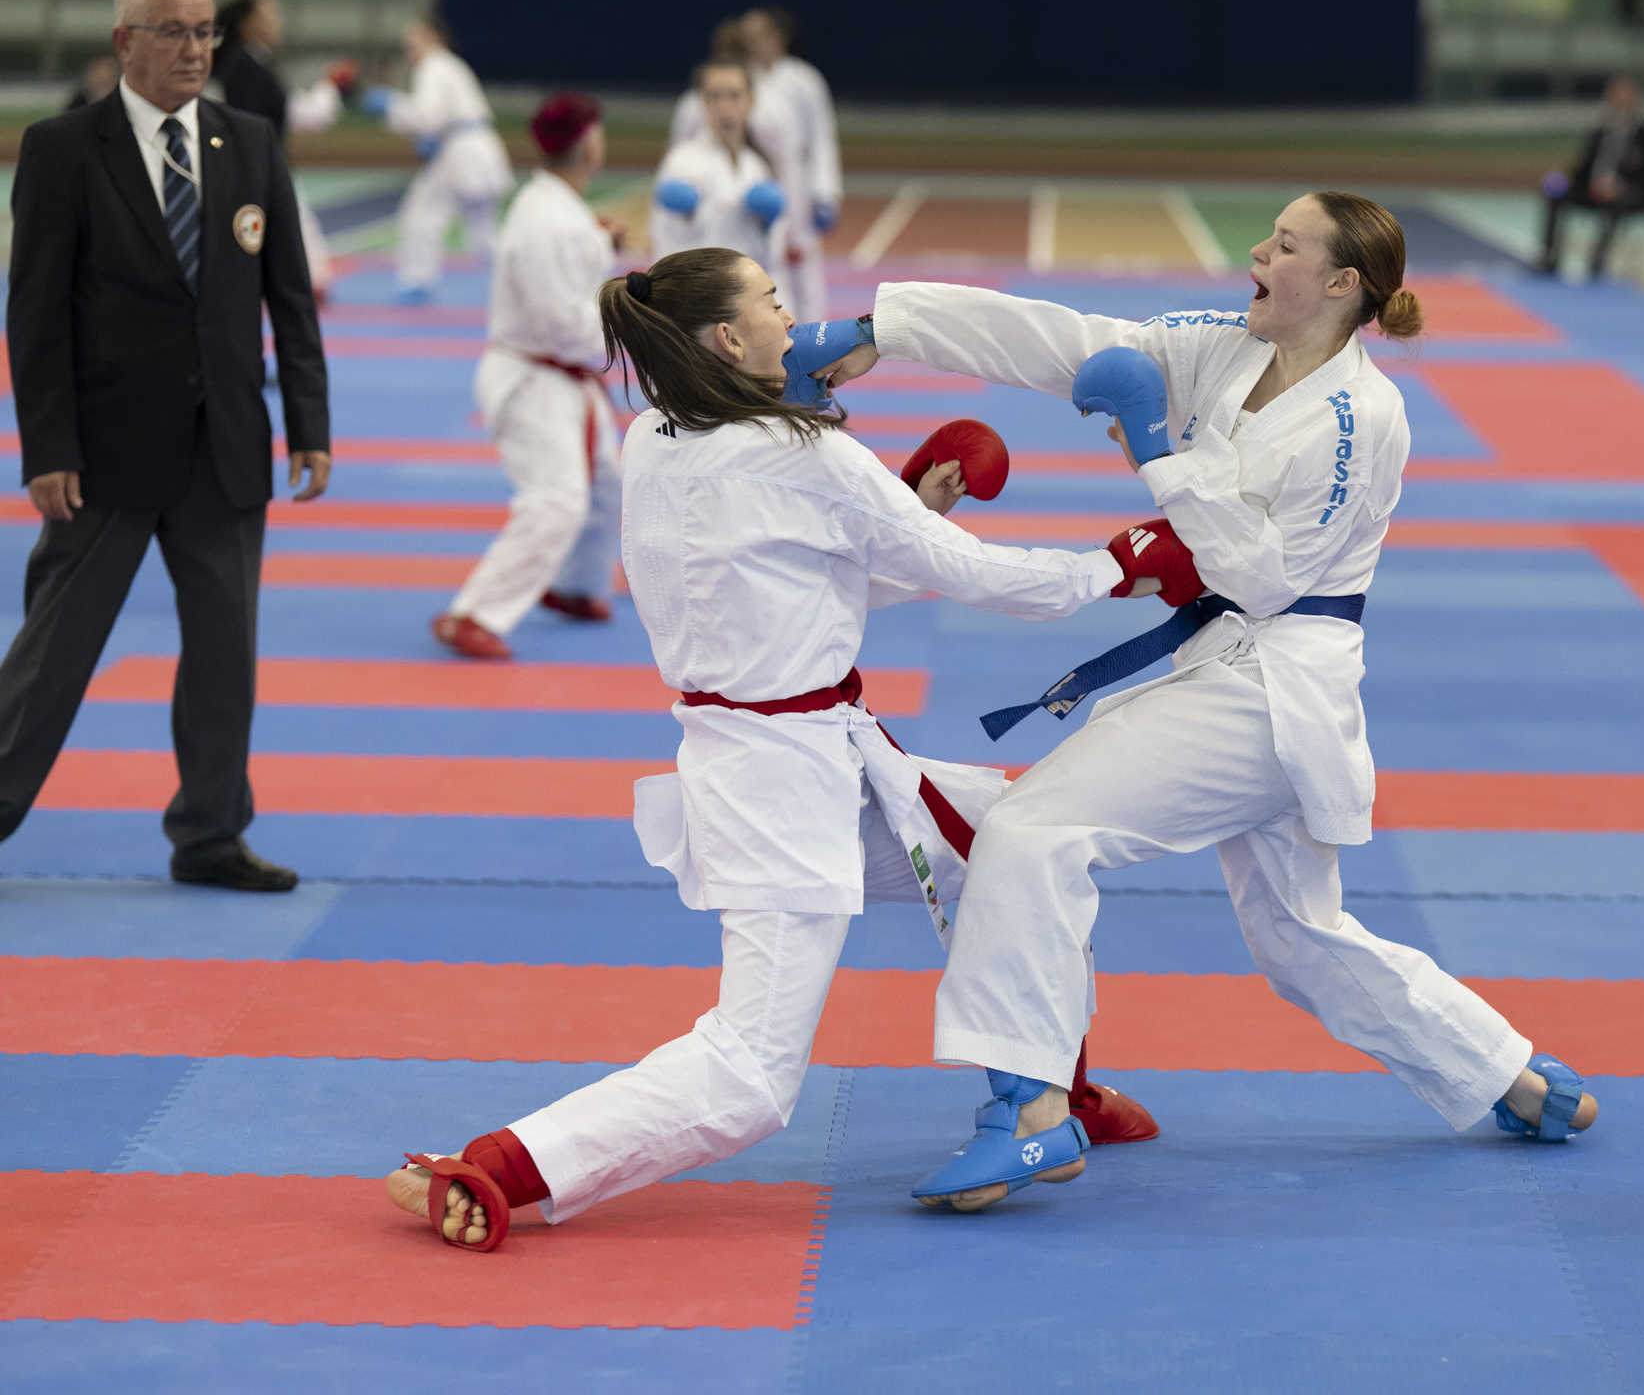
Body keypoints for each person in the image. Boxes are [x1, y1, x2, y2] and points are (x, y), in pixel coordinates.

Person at [813, 193, 1600, 1211]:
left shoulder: (1363, 418)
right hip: (1230, 667)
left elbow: (1265, 576)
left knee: (1035, 830)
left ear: (1341, 283)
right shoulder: (1226, 346)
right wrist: (885, 328)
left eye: (1285, 244)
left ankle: (1034, 1114)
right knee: (1300, 938)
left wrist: (1157, 450)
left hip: (1277, 690)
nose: (1258, 251)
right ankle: (1514, 1078)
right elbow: (1071, 342)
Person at [384, 248, 1167, 1250]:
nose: (794, 321)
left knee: (1020, 846)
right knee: (752, 1075)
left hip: (783, 752)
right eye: (774, 304)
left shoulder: (653, 437)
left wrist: (906, 504)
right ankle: (496, 1165)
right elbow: (978, 577)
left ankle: (1047, 1098)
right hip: (782, 787)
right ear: (728, 337)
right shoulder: (808, 459)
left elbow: (791, 577)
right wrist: (1120, 564)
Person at [1, 0, 329, 889]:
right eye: (174, 32)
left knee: (225, 656)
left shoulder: (249, 141)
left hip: (225, 444)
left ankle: (210, 835)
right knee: (52, 656)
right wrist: (47, 448)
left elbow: (289, 297)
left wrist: (309, 422)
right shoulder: (65, 149)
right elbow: (34, 317)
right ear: (124, 41)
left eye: (205, 31)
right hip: (103, 454)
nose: (194, 49)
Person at [431, 94, 623, 660]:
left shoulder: (560, 208)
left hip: (564, 376)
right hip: (534, 377)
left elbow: (571, 275)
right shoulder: (544, 221)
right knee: (557, 500)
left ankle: (574, 586)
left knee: (607, 485)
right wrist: (631, 332)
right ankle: (472, 613)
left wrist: (602, 244)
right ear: (590, 146)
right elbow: (557, 323)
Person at [213, 0, 358, 301]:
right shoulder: (243, 66)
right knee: (273, 229)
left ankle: (308, 283)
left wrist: (328, 88)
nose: (277, 22)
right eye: (270, 15)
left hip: (261, 166)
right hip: (255, 168)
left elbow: (286, 111)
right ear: (249, 24)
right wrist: (329, 85)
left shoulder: (253, 63)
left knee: (286, 228)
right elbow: (280, 116)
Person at [364, 16, 510, 303]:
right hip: (477, 145)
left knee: (422, 211)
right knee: (483, 231)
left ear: (433, 39)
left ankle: (417, 279)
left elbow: (428, 115)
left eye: (415, 39)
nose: (409, 47)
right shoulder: (450, 65)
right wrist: (430, 137)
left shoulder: (433, 65)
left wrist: (391, 104)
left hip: (461, 150)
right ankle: (519, 279)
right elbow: (445, 114)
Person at [743, 5, 839, 319]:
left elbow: (821, 139)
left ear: (779, 37)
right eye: (747, 35)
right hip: (753, 182)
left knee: (803, 262)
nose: (751, 41)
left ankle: (813, 331)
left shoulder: (804, 80)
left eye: (759, 34)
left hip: (795, 182)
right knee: (762, 261)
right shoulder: (741, 77)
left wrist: (825, 191)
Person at [650, 58, 783, 272]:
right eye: (714, 96)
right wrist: (689, 214)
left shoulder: (756, 167)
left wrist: (767, 226)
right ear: (702, 102)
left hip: (741, 284)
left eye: (734, 95)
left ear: (751, 100)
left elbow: (769, 256)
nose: (724, 105)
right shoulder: (683, 160)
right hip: (694, 284)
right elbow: (663, 235)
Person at [1535, 74, 1644, 281]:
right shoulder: (1600, 130)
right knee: (1555, 193)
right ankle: (1549, 258)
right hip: (1593, 188)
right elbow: (1584, 166)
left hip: (1626, 193)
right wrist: (1564, 175)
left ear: (1634, 98)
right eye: (1614, 94)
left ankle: (1597, 262)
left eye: (1624, 94)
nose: (1618, 99)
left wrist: (1620, 185)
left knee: (1616, 201)